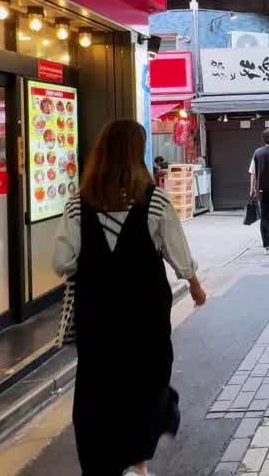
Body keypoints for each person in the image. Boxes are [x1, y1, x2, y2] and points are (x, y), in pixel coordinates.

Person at [53, 120, 207, 476]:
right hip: (145, 311)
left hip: (97, 312)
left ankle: (106, 462)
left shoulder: (78, 204)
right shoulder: (155, 201)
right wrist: (195, 286)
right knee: (147, 379)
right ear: (137, 154)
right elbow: (178, 253)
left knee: (99, 386)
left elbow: (62, 262)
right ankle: (138, 457)